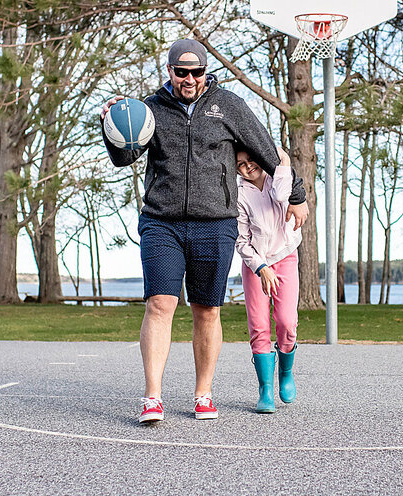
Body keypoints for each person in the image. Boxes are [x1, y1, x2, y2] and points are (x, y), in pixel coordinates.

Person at [100, 39, 309, 424]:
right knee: (160, 303)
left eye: (197, 72)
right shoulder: (151, 109)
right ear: (170, 72)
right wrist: (110, 124)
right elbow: (124, 157)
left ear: (205, 71)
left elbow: (266, 149)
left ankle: (203, 394)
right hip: (162, 221)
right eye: (182, 73)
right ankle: (152, 397)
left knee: (207, 310)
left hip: (215, 222)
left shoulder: (228, 104)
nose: (190, 79)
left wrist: (296, 194)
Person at [235, 146, 302, 414]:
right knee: (259, 326)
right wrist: (261, 267)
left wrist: (282, 159)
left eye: (251, 160)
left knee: (287, 322)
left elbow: (283, 195)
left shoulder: (277, 179)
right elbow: (241, 241)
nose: (248, 166)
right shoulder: (239, 193)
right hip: (256, 265)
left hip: (285, 257)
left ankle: (285, 373)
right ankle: (265, 389)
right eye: (240, 163)